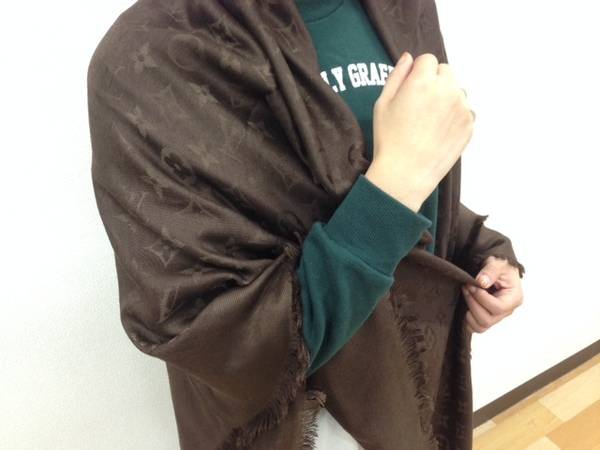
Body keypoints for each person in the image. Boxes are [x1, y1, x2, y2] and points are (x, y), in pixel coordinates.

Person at [87, 0, 525, 448]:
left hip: (414, 376)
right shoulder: (149, 57)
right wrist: (395, 187)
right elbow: (210, 333)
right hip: (308, 424)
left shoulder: (402, 6)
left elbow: (399, 169)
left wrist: (477, 247)